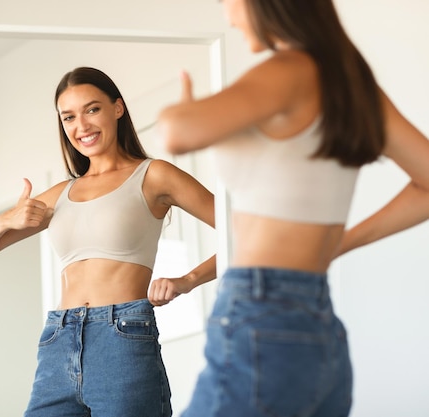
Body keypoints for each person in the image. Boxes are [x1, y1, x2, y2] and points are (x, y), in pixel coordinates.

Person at [155, 1, 429, 416]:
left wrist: (183, 108)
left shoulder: (288, 69)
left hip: (262, 311)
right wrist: (340, 243)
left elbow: (177, 133)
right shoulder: (353, 87)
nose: (227, 15)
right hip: (317, 325)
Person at [0, 66, 217, 417]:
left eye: (92, 109)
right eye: (68, 117)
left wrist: (187, 281)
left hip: (122, 338)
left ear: (117, 108)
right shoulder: (62, 193)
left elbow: (245, 233)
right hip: (58, 338)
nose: (81, 126)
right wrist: (9, 218)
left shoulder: (153, 175)